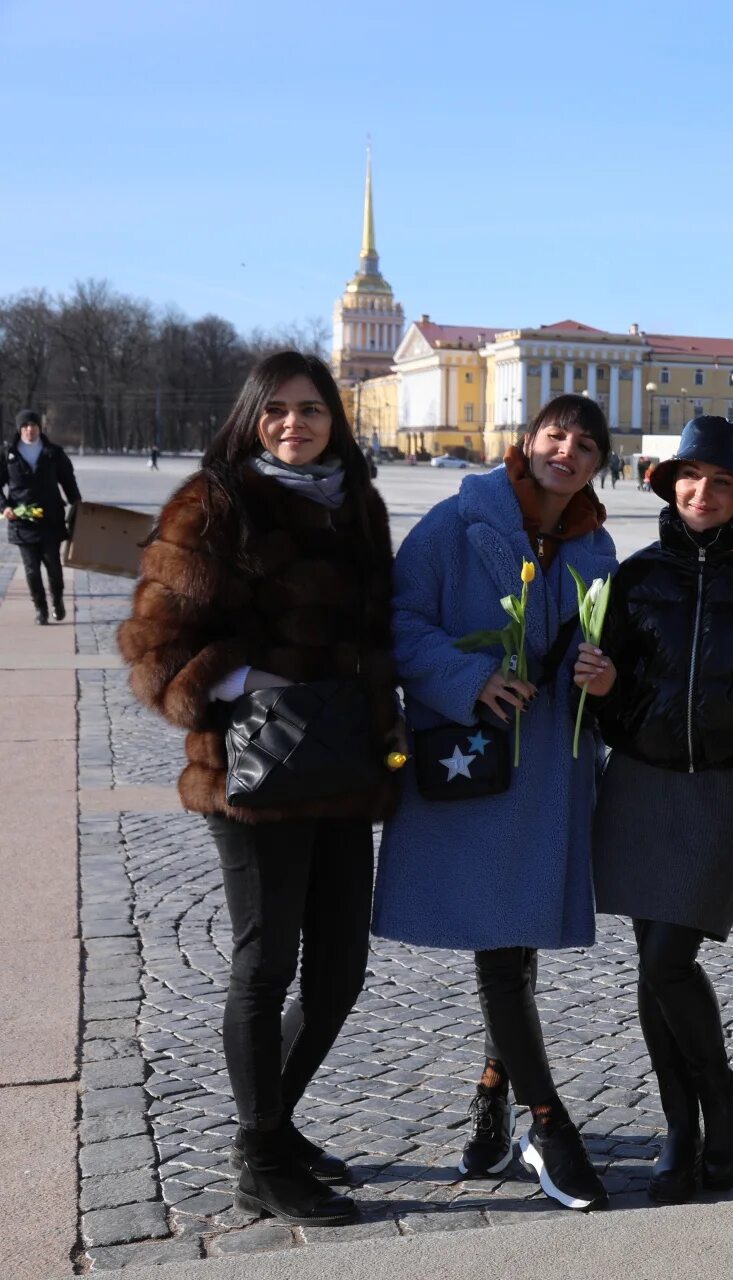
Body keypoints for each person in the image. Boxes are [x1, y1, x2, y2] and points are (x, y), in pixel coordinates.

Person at [116, 351, 401, 1227]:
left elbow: (381, 624)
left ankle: (272, 1127)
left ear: (334, 420)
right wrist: (254, 689)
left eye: (310, 410)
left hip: (346, 770)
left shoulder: (359, 503)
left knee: (340, 973)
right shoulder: (215, 503)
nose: (293, 425)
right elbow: (154, 650)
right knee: (267, 962)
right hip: (255, 773)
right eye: (276, 410)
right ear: (250, 416)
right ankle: (261, 1154)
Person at [370, 394, 618, 1212]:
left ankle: (491, 1088)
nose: (567, 451)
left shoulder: (597, 545)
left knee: (515, 941)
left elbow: (607, 645)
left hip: (551, 768)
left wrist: (601, 672)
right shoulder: (456, 522)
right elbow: (399, 621)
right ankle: (548, 1122)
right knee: (501, 944)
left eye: (585, 444)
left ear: (597, 463)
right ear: (529, 439)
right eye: (557, 434)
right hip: (477, 762)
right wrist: (468, 677)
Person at [582, 416, 733, 1204]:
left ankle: (723, 1105)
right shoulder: (636, 578)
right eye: (689, 478)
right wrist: (603, 688)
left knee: (669, 959)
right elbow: (610, 701)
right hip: (639, 786)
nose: (702, 492)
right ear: (667, 485)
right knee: (652, 963)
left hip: (723, 789)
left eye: (720, 481)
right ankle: (681, 1129)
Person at [2, 411, 82, 625]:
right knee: (31, 569)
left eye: (34, 425)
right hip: (22, 521)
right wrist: (5, 507)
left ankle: (57, 600)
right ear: (20, 429)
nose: (30, 429)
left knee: (54, 567)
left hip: (50, 520)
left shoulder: (53, 453)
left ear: (40, 427)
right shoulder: (8, 453)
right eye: (26, 425)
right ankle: (40, 608)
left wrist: (78, 506)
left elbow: (68, 481)